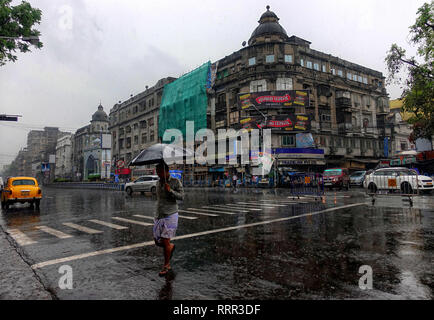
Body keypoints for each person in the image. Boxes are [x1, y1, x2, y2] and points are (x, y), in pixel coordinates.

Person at [153, 161, 184, 277]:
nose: (158, 174)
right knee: (157, 240)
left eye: (160, 171)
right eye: (157, 172)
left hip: (170, 214)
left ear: (167, 171)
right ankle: (170, 247)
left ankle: (167, 265)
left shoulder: (175, 182)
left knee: (165, 240)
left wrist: (170, 190)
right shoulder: (157, 183)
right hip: (159, 214)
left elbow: (181, 196)